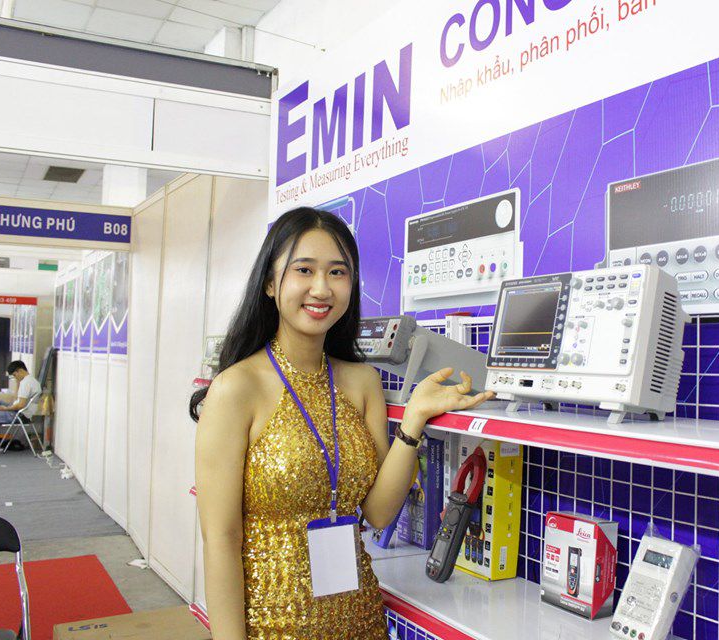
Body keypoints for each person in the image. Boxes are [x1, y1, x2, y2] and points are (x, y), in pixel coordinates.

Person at [191, 208, 494, 640]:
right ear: (271, 283)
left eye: (337, 272)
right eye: (304, 270)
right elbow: (221, 538)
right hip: (270, 627)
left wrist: (413, 420)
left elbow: (378, 512)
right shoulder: (236, 389)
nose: (321, 288)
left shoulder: (361, 381)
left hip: (360, 620)